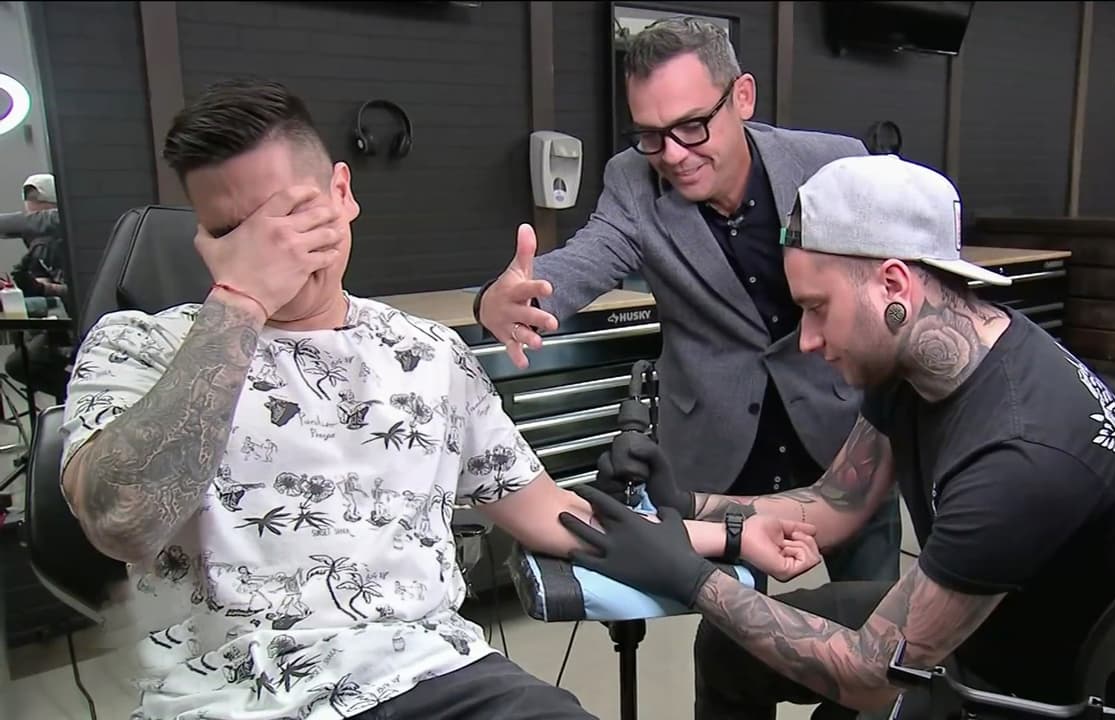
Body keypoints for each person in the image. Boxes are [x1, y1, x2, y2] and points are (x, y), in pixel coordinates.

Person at [58, 78, 822, 720]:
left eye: (289, 219)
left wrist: (728, 536)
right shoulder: (140, 348)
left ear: (341, 192)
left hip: (433, 677)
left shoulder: (426, 353)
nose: (274, 250)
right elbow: (124, 521)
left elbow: (553, 515)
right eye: (235, 232)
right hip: (230, 696)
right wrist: (239, 304)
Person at [559, 154, 1115, 718]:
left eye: (817, 307)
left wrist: (689, 578)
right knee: (728, 646)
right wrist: (686, 503)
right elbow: (836, 503)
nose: (805, 340)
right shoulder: (926, 356)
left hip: (1041, 692)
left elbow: (873, 675)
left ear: (894, 286)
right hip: (989, 621)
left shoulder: (1018, 456)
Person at [475, 16, 901, 584]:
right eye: (651, 135)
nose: (673, 155)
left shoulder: (833, 164)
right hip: (719, 450)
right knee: (730, 626)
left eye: (692, 127)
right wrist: (500, 300)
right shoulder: (632, 181)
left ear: (742, 97)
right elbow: (589, 255)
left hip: (840, 434)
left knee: (873, 611)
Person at [0, 173, 72, 397]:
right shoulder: (40, 247)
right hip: (62, 320)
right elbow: (47, 288)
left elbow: (78, 290)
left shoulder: (66, 223)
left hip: (88, 320)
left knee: (21, 362)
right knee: (24, 355)